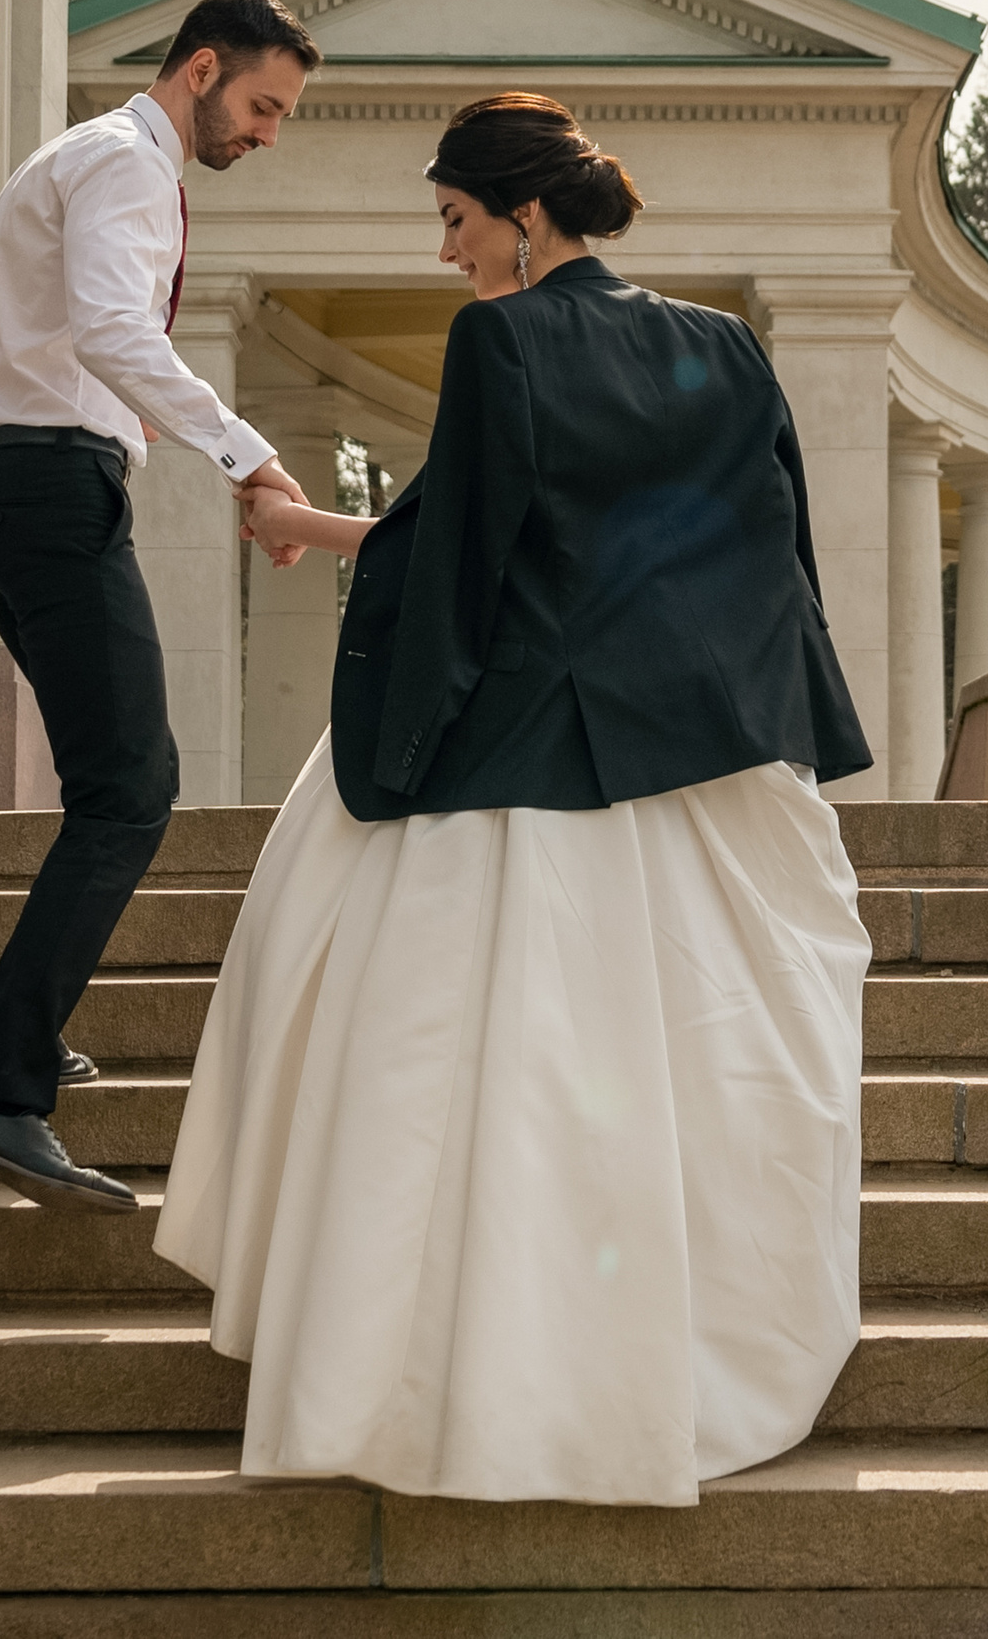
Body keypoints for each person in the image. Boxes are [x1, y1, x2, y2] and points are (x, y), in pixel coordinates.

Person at [155, 90, 876, 1506]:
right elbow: (769, 557)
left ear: (526, 217)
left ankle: (445, 1381)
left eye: (455, 221)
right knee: (698, 1073)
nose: (447, 255)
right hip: (707, 759)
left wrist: (393, 759)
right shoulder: (727, 350)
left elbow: (469, 562)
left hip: (531, 753)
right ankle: (693, 1368)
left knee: (358, 994)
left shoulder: (502, 338)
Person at [0, 0, 321, 1210]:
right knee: (133, 789)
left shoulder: (74, 159)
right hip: (46, 487)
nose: (267, 133)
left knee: (114, 780)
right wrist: (247, 453)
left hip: (7, 483)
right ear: (200, 69)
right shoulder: (128, 166)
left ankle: (22, 1051)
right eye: (261, 104)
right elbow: (108, 326)